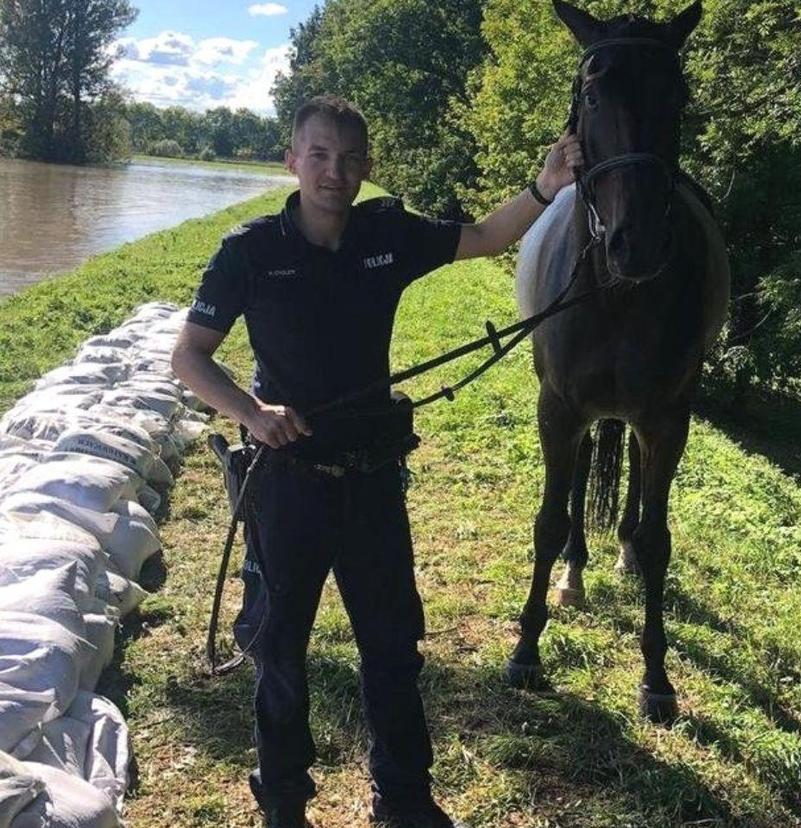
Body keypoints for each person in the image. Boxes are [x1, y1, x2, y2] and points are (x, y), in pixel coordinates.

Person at [171, 95, 582, 828]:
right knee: (280, 651)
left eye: (350, 158)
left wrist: (546, 187)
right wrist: (252, 414)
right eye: (319, 155)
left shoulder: (387, 236)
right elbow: (189, 357)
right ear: (292, 160)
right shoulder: (249, 251)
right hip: (285, 484)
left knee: (392, 646)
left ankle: (404, 797)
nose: (335, 171)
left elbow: (487, 235)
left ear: (367, 166)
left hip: (372, 482)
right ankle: (285, 800)